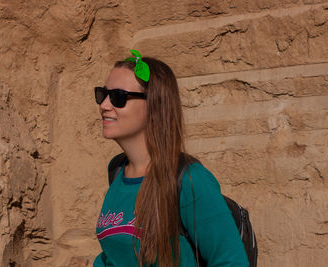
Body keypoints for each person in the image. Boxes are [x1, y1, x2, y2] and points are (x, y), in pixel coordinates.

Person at [93, 50, 248, 266]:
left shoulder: (190, 180)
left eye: (118, 97)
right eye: (103, 94)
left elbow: (231, 261)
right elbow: (113, 257)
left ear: (154, 105)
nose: (104, 105)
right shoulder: (117, 172)